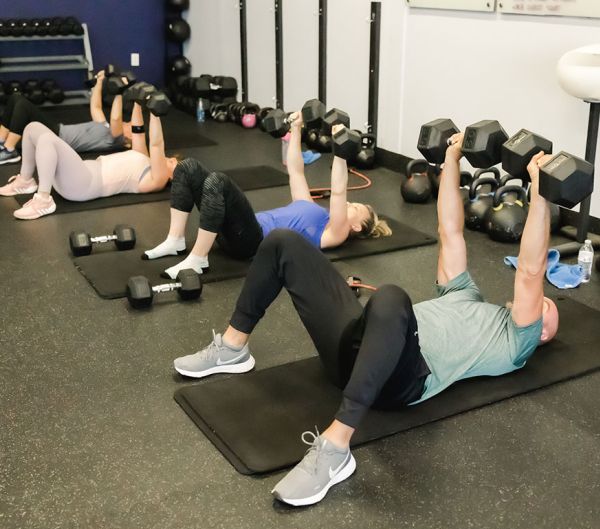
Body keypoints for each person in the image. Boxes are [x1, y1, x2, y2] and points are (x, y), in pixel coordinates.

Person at [171, 134, 559, 507]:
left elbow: (529, 270)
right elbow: (450, 231)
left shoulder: (516, 342)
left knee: (391, 297)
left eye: (545, 308)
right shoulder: (465, 292)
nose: (542, 302)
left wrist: (540, 195)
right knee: (283, 241)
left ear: (539, 333)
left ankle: (336, 447)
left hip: (400, 381)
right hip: (353, 352)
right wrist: (452, 161)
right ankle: (233, 347)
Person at [142, 111, 391, 280]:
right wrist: (296, 128)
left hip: (252, 241)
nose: (350, 203)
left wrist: (340, 151)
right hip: (238, 228)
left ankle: (198, 258)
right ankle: (175, 240)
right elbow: (295, 171)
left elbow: (338, 192)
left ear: (357, 226)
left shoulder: (335, 233)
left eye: (356, 207)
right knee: (188, 167)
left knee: (218, 181)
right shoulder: (310, 207)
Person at [0, 100, 176, 219]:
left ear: (172, 177)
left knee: (47, 139)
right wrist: (138, 102)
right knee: (32, 127)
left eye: (175, 163)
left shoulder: (157, 180)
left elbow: (157, 145)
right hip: (75, 174)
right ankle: (26, 181)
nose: (172, 159)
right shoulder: (142, 156)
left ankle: (44, 199)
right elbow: (138, 130)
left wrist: (155, 113)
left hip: (83, 185)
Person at [0, 70, 132, 165]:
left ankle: (10, 150)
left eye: (131, 126)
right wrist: (99, 82)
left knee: (23, 105)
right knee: (15, 98)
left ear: (130, 139)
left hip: (58, 138)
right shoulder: (105, 127)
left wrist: (119, 92)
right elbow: (96, 107)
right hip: (57, 130)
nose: (129, 122)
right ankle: (1, 141)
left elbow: (116, 118)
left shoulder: (117, 139)